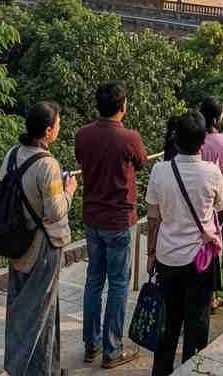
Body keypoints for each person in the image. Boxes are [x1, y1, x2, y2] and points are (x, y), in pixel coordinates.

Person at [146, 113, 223, 376]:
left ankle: (161, 371)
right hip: (199, 261)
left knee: (168, 323)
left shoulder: (160, 171)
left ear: (176, 139)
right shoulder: (212, 173)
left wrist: (151, 253)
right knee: (197, 321)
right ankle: (192, 368)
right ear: (203, 141)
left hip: (167, 257)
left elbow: (152, 218)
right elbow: (221, 204)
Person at [0, 103, 76, 376]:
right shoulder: (47, 164)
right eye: (57, 124)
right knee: (38, 314)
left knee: (28, 307)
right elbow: (55, 211)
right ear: (47, 131)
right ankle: (30, 370)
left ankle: (49, 367)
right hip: (42, 246)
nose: (59, 128)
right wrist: (69, 191)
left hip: (17, 242)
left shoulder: (12, 155)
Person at [75, 82, 148, 367]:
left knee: (94, 280)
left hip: (92, 217)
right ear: (123, 107)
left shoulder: (83, 135)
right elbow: (141, 162)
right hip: (118, 219)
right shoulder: (129, 138)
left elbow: (83, 160)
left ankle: (91, 345)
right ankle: (112, 349)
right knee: (118, 283)